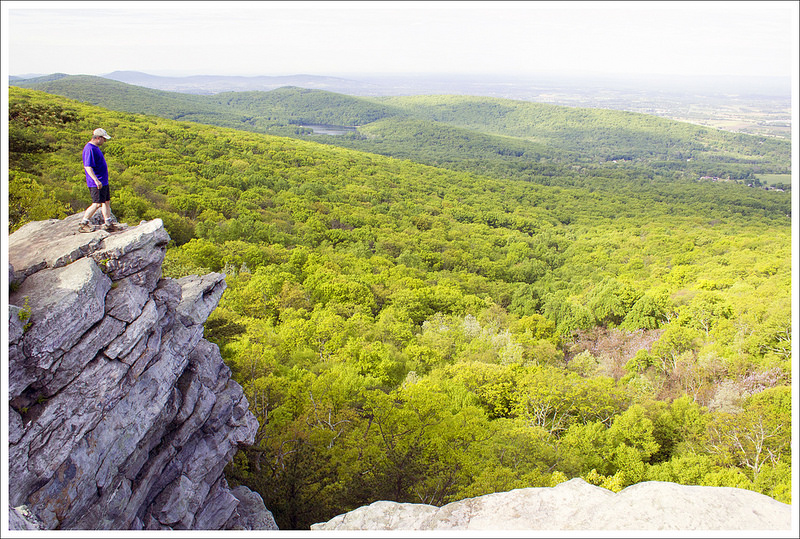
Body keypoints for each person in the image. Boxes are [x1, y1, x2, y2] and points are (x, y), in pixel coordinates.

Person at [78, 127, 119, 232]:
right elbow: (87, 166)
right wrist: (96, 180)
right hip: (97, 182)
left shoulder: (95, 147)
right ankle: (84, 223)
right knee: (96, 204)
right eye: (103, 139)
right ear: (97, 138)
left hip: (103, 181)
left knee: (106, 201)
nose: (105, 141)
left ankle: (108, 223)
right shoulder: (89, 149)